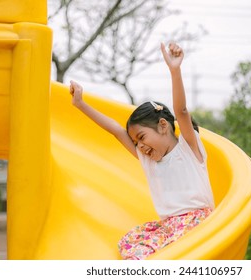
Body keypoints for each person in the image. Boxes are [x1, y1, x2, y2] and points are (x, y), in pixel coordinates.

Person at [69, 42, 215, 260]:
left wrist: (175, 70)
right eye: (136, 142)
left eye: (142, 137)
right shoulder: (148, 160)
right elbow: (116, 131)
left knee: (173, 251)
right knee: (131, 243)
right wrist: (80, 104)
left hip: (197, 223)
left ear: (163, 126)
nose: (140, 146)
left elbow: (181, 111)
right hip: (168, 228)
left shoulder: (188, 146)